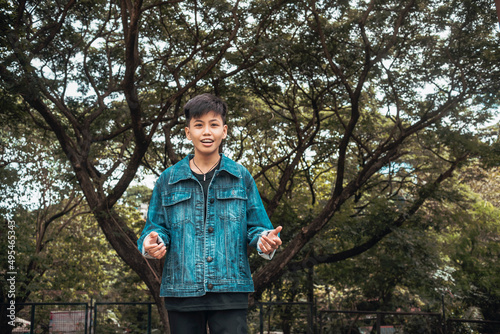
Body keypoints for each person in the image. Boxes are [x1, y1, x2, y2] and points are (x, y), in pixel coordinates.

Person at [137, 93, 283, 334]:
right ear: (188, 132)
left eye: (213, 125)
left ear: (224, 131)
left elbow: (257, 228)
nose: (207, 132)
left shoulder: (241, 177)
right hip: (181, 289)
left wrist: (265, 241)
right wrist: (152, 242)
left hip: (231, 289)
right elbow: (156, 228)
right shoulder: (168, 180)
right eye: (199, 125)